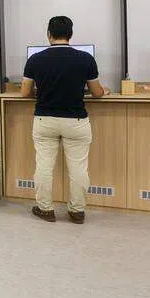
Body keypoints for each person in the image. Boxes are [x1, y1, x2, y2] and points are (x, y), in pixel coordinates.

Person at [21, 16, 107, 224]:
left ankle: (45, 209)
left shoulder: (35, 59)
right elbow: (97, 93)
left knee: (44, 166)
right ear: (71, 34)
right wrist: (104, 91)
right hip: (75, 121)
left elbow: (25, 93)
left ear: (49, 34)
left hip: (45, 120)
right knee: (78, 168)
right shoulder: (85, 59)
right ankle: (77, 211)